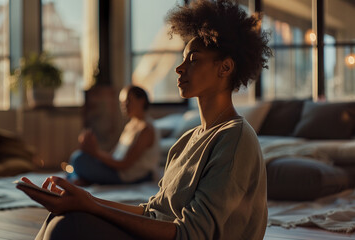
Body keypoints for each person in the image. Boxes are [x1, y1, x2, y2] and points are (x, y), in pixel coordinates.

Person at [16, 0, 272, 239]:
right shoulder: (187, 141)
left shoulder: (235, 138)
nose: (179, 68)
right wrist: (85, 200)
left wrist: (91, 207)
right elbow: (153, 210)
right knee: (63, 215)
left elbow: (191, 233)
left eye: (193, 59)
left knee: (68, 226)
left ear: (225, 68)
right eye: (182, 59)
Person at [68, 85, 161, 185]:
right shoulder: (131, 125)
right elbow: (114, 155)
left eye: (128, 101)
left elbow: (125, 164)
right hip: (117, 169)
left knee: (78, 160)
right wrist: (92, 151)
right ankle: (78, 178)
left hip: (129, 176)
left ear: (141, 101)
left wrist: (95, 153)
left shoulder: (147, 129)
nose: (123, 105)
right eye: (121, 102)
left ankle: (77, 178)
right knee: (79, 156)